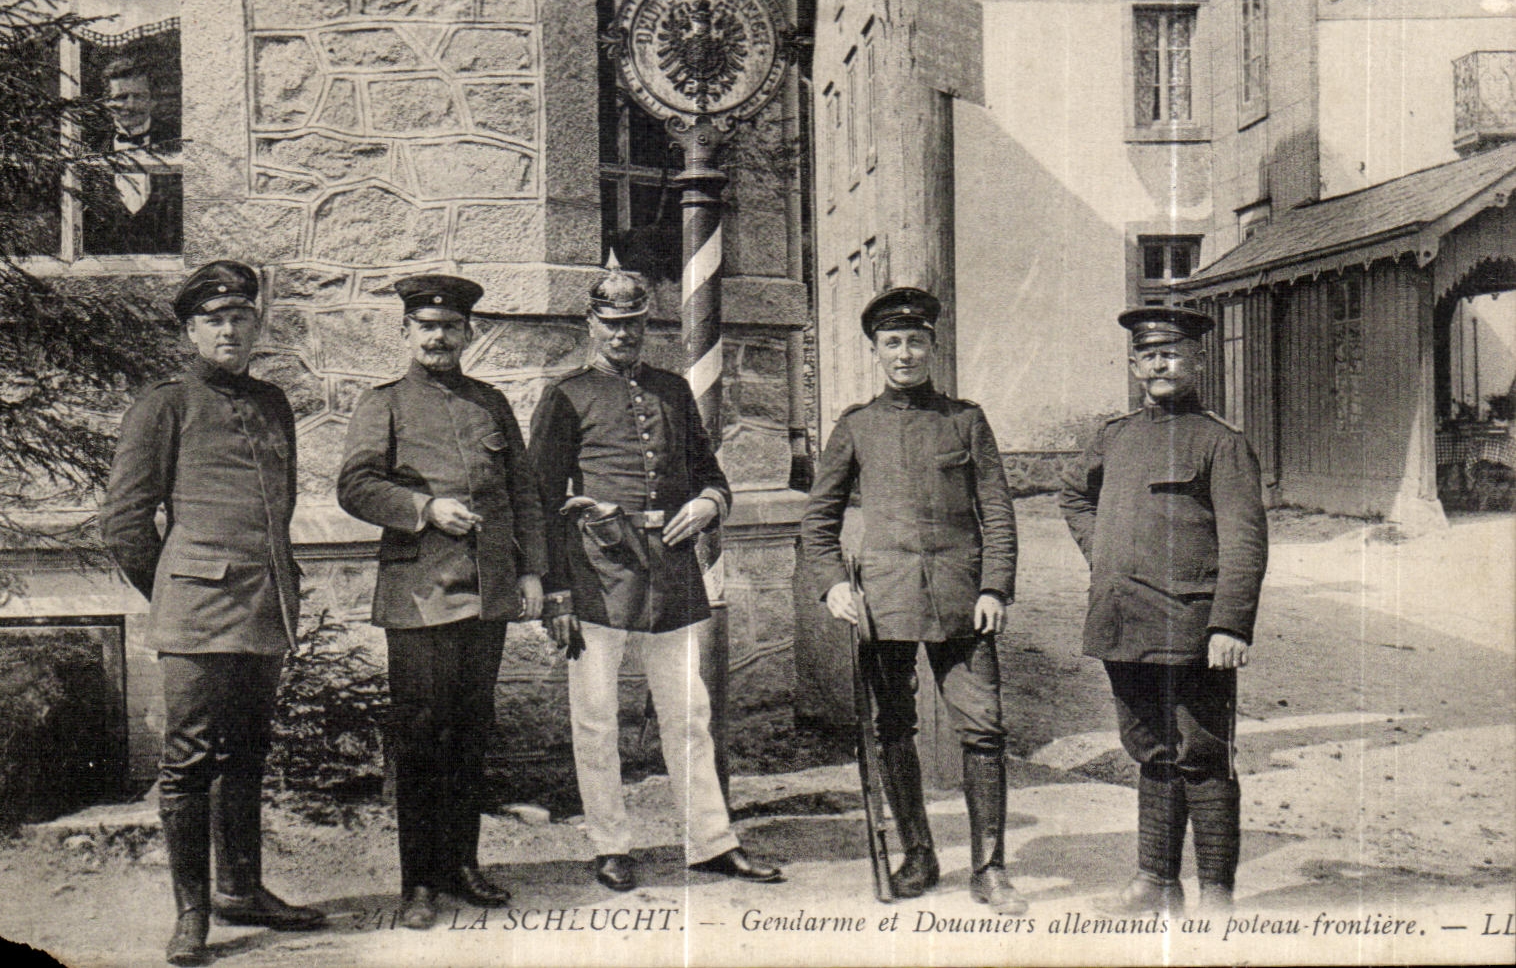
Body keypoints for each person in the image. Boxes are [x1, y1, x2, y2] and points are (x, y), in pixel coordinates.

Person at [527, 257, 784, 892]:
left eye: (635, 322)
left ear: (647, 324)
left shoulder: (672, 390)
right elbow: (538, 501)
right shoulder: (566, 397)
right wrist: (555, 590)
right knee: (595, 717)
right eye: (612, 323)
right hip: (596, 574)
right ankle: (611, 843)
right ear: (591, 324)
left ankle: (710, 841)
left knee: (688, 712)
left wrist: (707, 505)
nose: (623, 334)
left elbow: (710, 474)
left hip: (670, 574)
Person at [102, 261, 324, 966]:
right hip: (196, 610)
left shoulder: (272, 401)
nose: (229, 329)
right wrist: (173, 588)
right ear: (191, 330)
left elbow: (277, 509)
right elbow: (125, 523)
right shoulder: (165, 403)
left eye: (240, 317)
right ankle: (192, 910)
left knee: (248, 751)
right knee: (189, 758)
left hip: (262, 604)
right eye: (214, 319)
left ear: (256, 325)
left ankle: (241, 886)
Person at [800, 287, 1025, 913]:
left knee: (984, 728)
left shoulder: (966, 420)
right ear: (876, 351)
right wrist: (834, 583)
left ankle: (990, 868)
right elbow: (818, 522)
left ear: (932, 346)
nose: (904, 354)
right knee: (894, 725)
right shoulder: (856, 426)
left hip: (963, 602)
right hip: (885, 603)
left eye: (915, 341)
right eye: (892, 343)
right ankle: (919, 854)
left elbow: (998, 515)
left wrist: (994, 586)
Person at [336, 275, 547, 929]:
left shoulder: (491, 402)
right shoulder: (386, 404)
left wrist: (533, 573)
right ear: (406, 333)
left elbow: (524, 496)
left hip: (486, 595)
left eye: (449, 327)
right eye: (425, 326)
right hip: (420, 596)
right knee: (423, 738)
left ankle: (461, 863)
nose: (437, 337)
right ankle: (419, 883)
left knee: (470, 733)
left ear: (467, 333)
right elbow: (356, 485)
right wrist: (424, 508)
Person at [1059, 305, 1268, 918]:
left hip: (1191, 628)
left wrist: (1230, 623)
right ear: (1133, 364)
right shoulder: (1113, 437)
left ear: (1198, 360)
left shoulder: (1219, 442)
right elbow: (1073, 494)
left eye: (1172, 351)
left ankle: (1217, 896)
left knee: (1201, 755)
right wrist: (1101, 552)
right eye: (1148, 353)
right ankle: (1155, 882)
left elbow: (1246, 540)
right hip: (1123, 622)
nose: (1159, 362)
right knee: (1149, 750)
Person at [85, 56, 182, 255]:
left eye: (139, 97)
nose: (130, 106)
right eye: (121, 97)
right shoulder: (90, 147)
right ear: (106, 103)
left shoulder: (177, 143)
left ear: (153, 101)